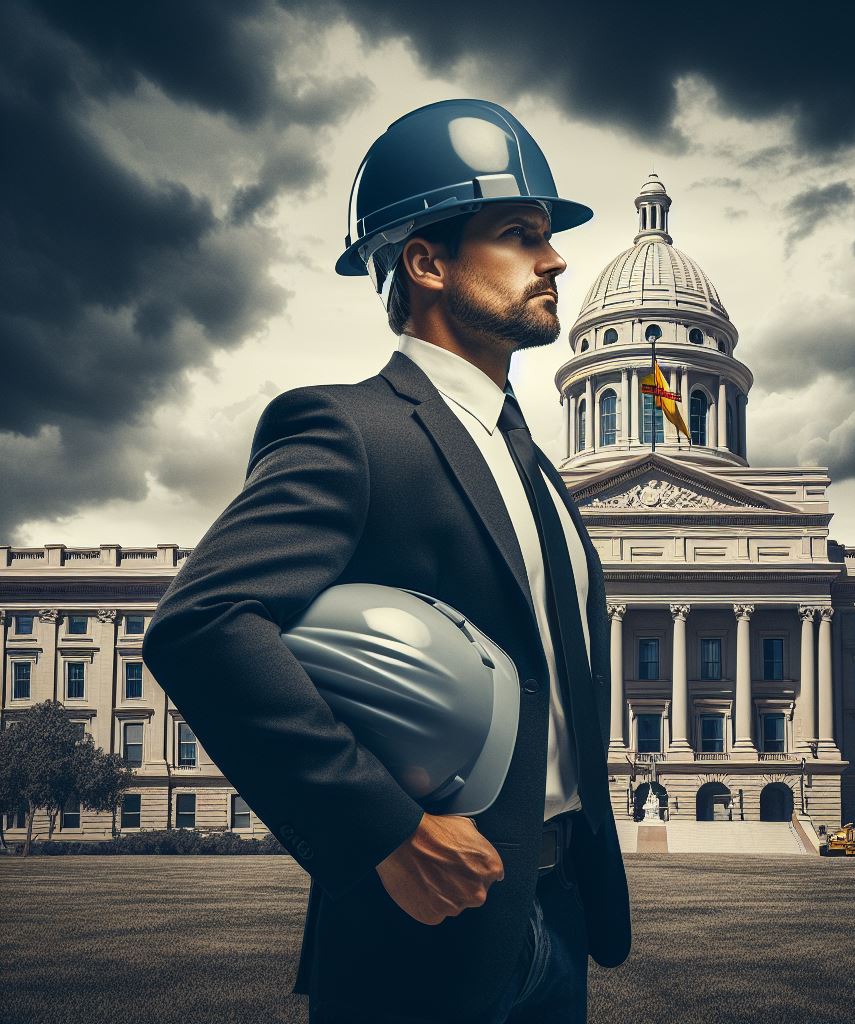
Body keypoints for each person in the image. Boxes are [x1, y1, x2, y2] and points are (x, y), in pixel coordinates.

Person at [141, 98, 631, 1024]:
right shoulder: (349, 428)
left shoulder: (544, 477)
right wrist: (386, 829)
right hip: (421, 929)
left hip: (557, 918)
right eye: (520, 234)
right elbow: (204, 626)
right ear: (427, 262)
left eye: (548, 236)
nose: (557, 258)